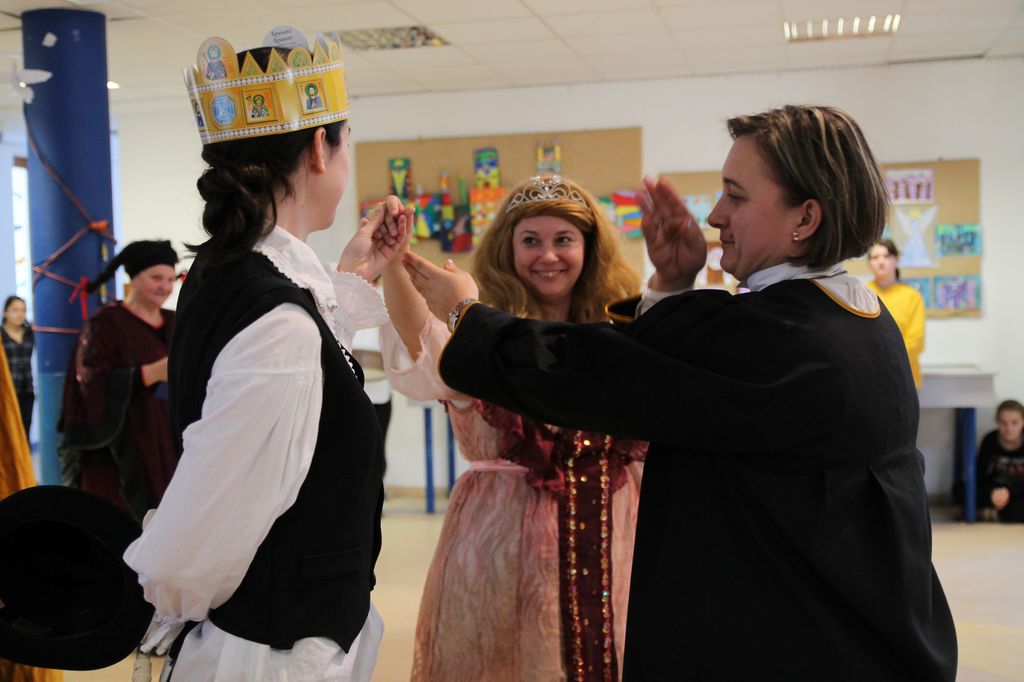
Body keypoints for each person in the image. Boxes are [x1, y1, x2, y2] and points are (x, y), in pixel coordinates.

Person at [402, 105, 957, 680]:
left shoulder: (778, 338)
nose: (715, 216)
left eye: (736, 196)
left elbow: (593, 372)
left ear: (806, 217)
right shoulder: (856, 317)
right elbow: (679, 371)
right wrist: (672, 282)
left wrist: (467, 316)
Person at [121, 29, 406, 681]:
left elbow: (300, 399)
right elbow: (198, 539)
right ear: (319, 148)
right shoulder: (278, 318)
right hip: (269, 654)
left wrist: (349, 280)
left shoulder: (230, 273)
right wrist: (171, 600)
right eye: (345, 140)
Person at [382, 174, 648, 681]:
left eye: (563, 239)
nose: (548, 255)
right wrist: (393, 266)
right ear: (509, 248)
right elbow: (420, 337)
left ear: (589, 249)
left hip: (613, 544)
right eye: (530, 240)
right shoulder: (477, 334)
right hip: (501, 553)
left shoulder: (621, 333)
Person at [57, 240, 178, 522]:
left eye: (171, 279)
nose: (165, 287)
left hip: (168, 435)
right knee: (121, 524)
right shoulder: (106, 323)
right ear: (134, 278)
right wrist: (150, 373)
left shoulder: (175, 321)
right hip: (123, 445)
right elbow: (89, 382)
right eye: (156, 278)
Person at [867, 239, 926, 388]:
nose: (881, 262)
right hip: (870, 377)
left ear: (896, 259)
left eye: (886, 256)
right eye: (875, 257)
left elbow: (916, 342)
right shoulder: (862, 294)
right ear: (869, 263)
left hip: (904, 378)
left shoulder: (912, 296)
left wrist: (884, 359)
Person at [977, 399, 1024, 522]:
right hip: (994, 491)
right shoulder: (989, 441)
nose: (1009, 428)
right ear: (997, 421)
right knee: (960, 489)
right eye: (1003, 423)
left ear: (1023, 422)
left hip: (1018, 492)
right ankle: (998, 513)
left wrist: (1010, 492)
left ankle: (992, 514)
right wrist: (992, 493)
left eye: (1015, 423)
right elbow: (980, 476)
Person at [2, 295, 34, 440]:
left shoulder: (30, 333)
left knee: (24, 433)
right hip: (6, 393)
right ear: (5, 313)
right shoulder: (1, 335)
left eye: (23, 310)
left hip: (27, 391)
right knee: (8, 435)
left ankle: (25, 456)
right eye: (15, 310)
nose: (20, 314)